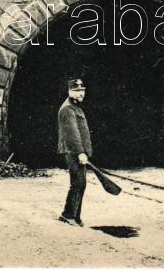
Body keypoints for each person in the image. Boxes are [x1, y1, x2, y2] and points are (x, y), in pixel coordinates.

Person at [57, 78, 92, 227]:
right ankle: (68, 215)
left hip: (77, 151)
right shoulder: (68, 109)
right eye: (77, 91)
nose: (80, 94)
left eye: (82, 90)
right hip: (73, 152)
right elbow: (73, 134)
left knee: (80, 183)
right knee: (77, 183)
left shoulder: (75, 107)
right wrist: (80, 152)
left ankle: (75, 216)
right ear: (70, 92)